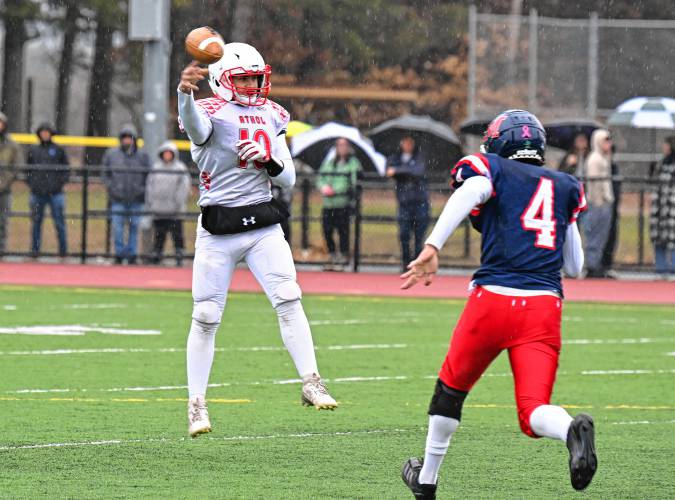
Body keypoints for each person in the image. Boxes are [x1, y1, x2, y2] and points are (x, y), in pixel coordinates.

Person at [399, 110, 596, 500]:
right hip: (543, 307)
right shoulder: (564, 184)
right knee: (532, 410)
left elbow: (469, 192)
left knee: (450, 391)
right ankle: (569, 429)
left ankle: (427, 479)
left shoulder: (493, 169)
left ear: (500, 143)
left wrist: (432, 245)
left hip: (494, 300)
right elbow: (575, 267)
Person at [177, 42, 337, 437]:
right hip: (219, 228)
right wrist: (184, 95)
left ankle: (311, 380)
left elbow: (288, 178)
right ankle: (196, 403)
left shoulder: (271, 112)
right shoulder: (210, 111)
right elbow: (196, 128)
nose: (251, 85)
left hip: (262, 224)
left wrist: (268, 160)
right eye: (243, 78)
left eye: (255, 77)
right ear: (222, 80)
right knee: (206, 315)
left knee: (288, 297)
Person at [102, 124, 150, 265]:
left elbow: (149, 175)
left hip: (136, 200)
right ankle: (119, 254)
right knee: (117, 229)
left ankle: (132, 255)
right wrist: (112, 188)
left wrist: (141, 190)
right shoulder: (112, 155)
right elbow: (105, 174)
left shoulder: (142, 156)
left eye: (130, 138)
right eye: (125, 138)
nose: (127, 141)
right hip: (118, 199)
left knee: (134, 228)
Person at [26, 122, 69, 258]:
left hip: (55, 193)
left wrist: (58, 184)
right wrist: (33, 184)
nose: (45, 134)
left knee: (59, 223)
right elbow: (27, 169)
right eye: (42, 132)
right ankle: (35, 251)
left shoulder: (58, 150)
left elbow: (66, 170)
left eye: (47, 132)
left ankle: (63, 252)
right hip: (37, 193)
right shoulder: (33, 150)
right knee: (36, 223)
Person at [387, 136, 430, 271]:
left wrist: (400, 170)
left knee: (419, 236)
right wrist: (406, 170)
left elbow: (418, 171)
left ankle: (417, 263)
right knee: (404, 234)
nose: (407, 145)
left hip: (420, 202)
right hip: (404, 203)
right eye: (404, 142)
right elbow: (389, 171)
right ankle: (406, 262)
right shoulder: (395, 158)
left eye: (410, 142)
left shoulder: (420, 157)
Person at [317, 137, 361, 271]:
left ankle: (343, 256)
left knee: (343, 232)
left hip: (343, 204)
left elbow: (353, 182)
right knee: (327, 230)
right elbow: (321, 178)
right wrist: (324, 187)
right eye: (339, 145)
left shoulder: (353, 163)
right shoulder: (330, 162)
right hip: (328, 204)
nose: (342, 148)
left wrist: (336, 190)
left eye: (344, 145)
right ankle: (332, 255)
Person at [146, 141, 191, 266]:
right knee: (159, 236)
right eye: (165, 153)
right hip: (159, 210)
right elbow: (150, 186)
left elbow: (184, 187)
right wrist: (152, 203)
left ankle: (179, 256)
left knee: (177, 236)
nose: (167, 155)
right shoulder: (156, 167)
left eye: (169, 153)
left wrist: (177, 203)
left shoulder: (180, 168)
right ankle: (156, 256)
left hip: (175, 211)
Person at [583, 129, 614, 278]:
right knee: (594, 236)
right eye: (605, 140)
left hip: (604, 203)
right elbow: (594, 183)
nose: (608, 144)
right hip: (597, 204)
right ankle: (592, 266)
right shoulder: (595, 159)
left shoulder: (604, 158)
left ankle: (596, 264)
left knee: (601, 237)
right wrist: (598, 201)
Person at [650, 136, 675, 277]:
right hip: (660, 206)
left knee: (672, 238)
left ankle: (673, 268)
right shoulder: (661, 163)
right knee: (659, 237)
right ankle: (661, 268)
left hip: (672, 205)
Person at [0, 112, 21, 256]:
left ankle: (1, 250)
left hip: (4, 189)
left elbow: (16, 166)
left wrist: (2, 183)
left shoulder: (11, 144)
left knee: (2, 221)